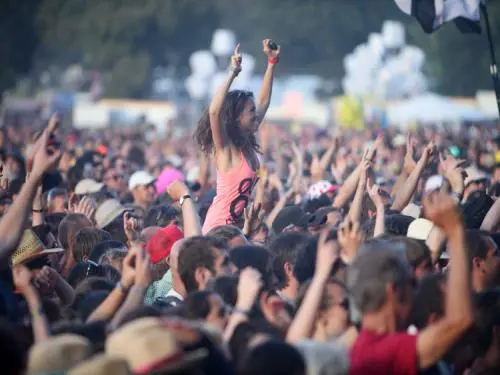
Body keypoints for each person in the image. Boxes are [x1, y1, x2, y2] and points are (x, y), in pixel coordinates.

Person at [196, 40, 280, 233]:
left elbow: (264, 101)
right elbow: (214, 112)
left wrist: (272, 63)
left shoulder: (246, 140)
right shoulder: (226, 149)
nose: (256, 115)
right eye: (251, 111)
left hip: (233, 230)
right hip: (217, 228)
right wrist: (233, 72)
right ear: (236, 117)